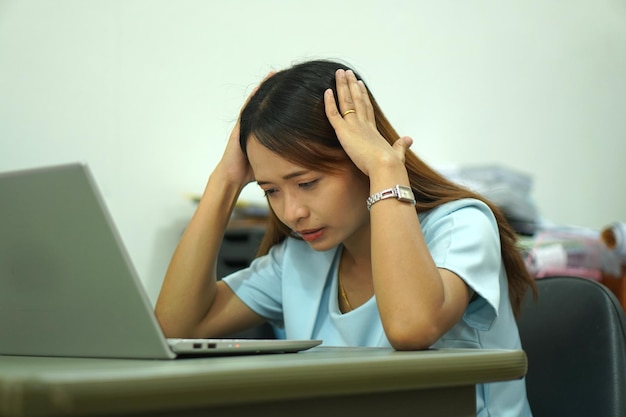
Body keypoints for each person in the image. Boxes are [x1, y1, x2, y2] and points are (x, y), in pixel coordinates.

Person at [155, 59, 536, 416]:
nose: (292, 213)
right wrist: (224, 181)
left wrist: (386, 168)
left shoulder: (460, 225)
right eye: (271, 190)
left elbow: (411, 327)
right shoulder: (302, 257)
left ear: (361, 158)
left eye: (306, 183)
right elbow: (176, 327)